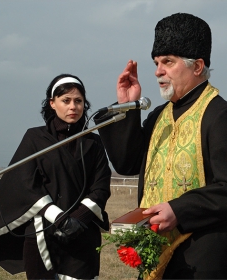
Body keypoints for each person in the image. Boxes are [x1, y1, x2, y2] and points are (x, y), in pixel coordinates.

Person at [94, 13, 227, 279]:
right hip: (155, 259)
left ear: (197, 66)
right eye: (156, 62)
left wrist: (179, 210)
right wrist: (128, 107)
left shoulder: (219, 115)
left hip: (202, 258)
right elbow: (127, 163)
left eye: (168, 62)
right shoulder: (158, 115)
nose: (158, 71)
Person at [0, 74, 111, 280]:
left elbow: (100, 187)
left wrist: (78, 219)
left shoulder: (94, 143)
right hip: (42, 234)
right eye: (66, 100)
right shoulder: (34, 138)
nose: (73, 106)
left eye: (78, 101)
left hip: (83, 234)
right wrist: (59, 218)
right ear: (52, 104)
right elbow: (24, 183)